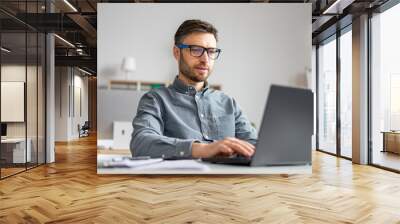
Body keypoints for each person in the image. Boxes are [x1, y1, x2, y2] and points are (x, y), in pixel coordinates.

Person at [130, 19, 257, 159]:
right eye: (196, 50)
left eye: (211, 51)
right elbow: (141, 143)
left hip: (231, 180)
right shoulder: (155, 100)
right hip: (182, 181)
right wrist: (203, 149)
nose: (205, 59)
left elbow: (254, 144)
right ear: (177, 52)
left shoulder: (229, 103)